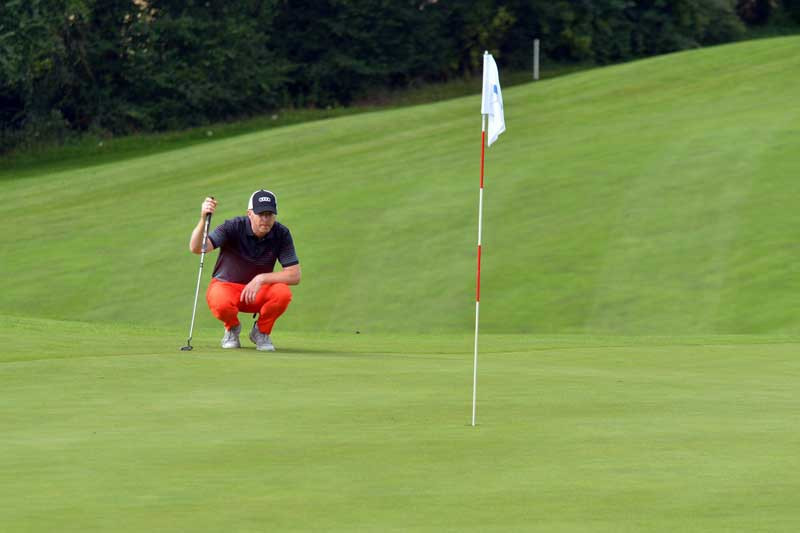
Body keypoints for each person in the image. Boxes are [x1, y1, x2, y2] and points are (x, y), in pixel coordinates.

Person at [189, 190, 301, 351]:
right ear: (249, 213)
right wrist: (202, 218)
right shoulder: (232, 227)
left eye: (269, 214)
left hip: (258, 291)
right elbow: (197, 248)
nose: (265, 219)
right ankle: (232, 328)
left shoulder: (281, 233)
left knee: (282, 293)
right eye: (260, 214)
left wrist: (260, 279)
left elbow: (294, 275)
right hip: (227, 286)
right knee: (219, 301)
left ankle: (261, 332)